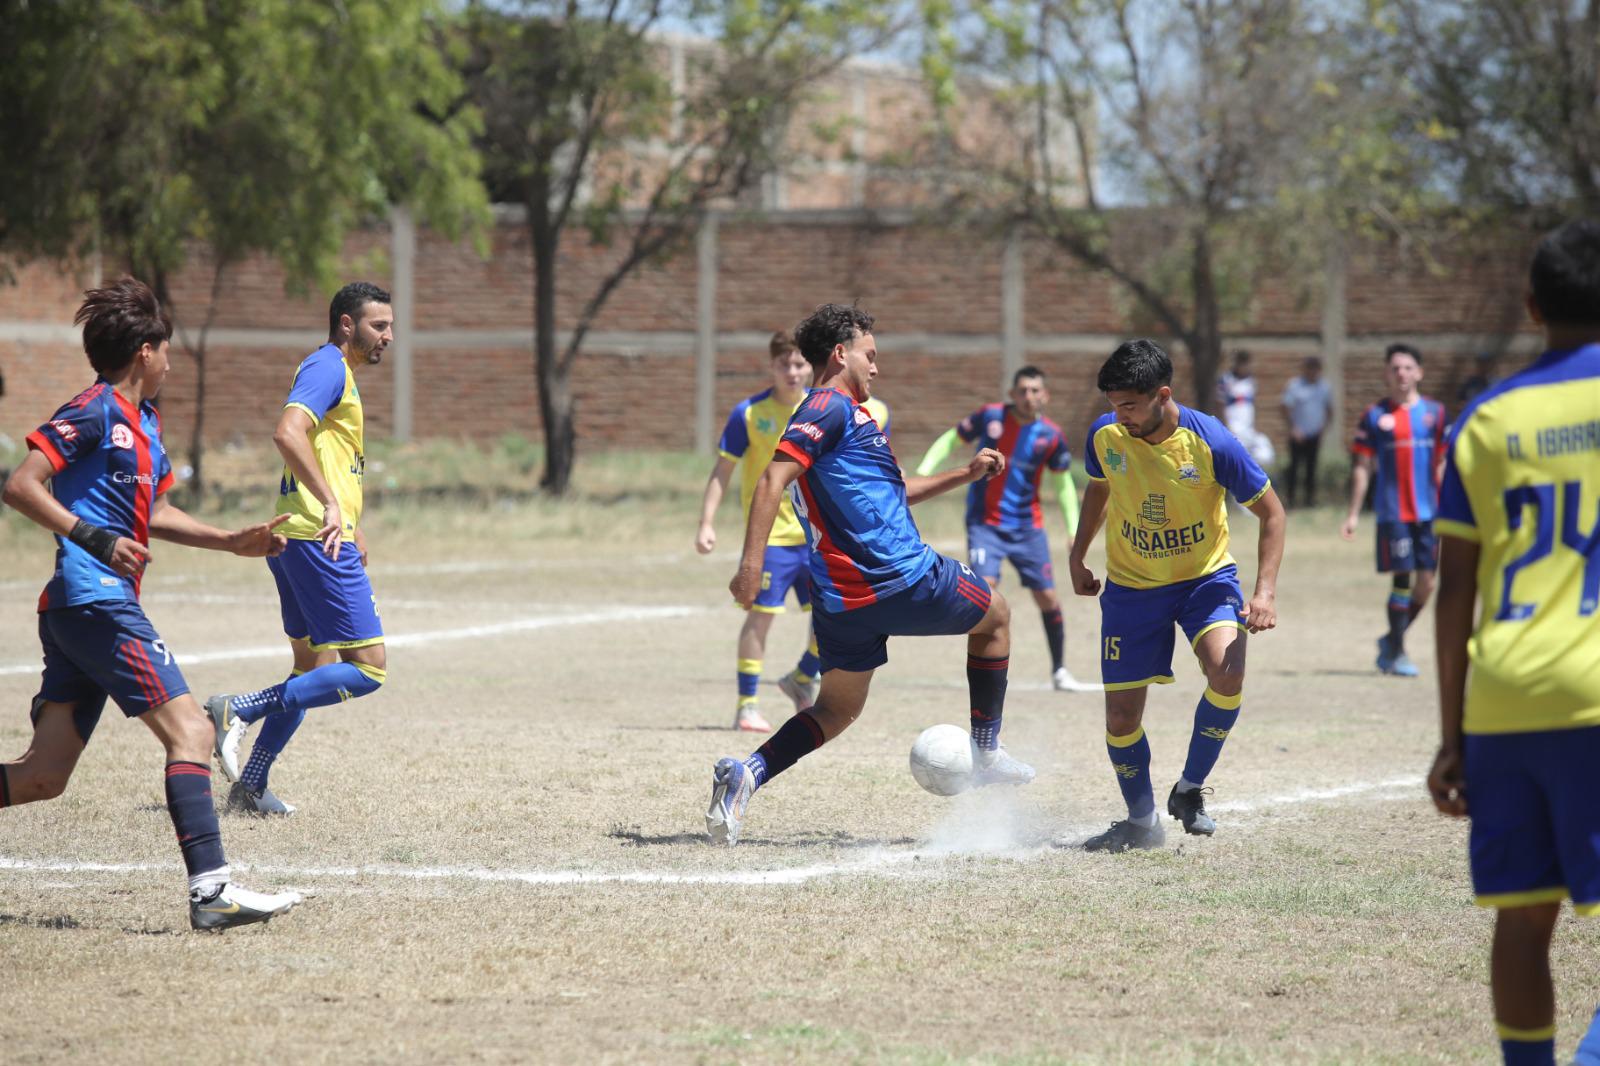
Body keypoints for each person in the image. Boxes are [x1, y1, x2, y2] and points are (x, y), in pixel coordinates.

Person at [0, 277, 301, 929]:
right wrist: (94, 538)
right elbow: (21, 486)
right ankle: (212, 893)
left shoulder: (147, 423)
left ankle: (213, 893)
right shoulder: (95, 410)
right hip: (93, 599)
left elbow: (155, 511)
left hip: (80, 611)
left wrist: (231, 541)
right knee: (193, 730)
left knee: (42, 777)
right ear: (144, 350)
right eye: (166, 350)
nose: (170, 362)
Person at [705, 303, 1033, 845]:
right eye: (870, 354)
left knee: (836, 707)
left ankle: (747, 777)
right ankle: (987, 751)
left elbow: (896, 490)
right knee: (995, 614)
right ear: (840, 354)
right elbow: (771, 480)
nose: (876, 367)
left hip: (841, 599)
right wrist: (750, 566)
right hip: (896, 576)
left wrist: (965, 473)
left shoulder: (852, 418)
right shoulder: (828, 407)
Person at [1428, 219, 1600, 1066]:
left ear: (1532, 307)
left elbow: (1453, 590)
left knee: (1523, 920)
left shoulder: (1486, 419)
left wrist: (1453, 737)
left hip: (1506, 702)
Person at [1067, 339, 1285, 852]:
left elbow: (1272, 513)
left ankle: (1189, 790)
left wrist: (1265, 593)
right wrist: (1078, 555)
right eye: (1112, 405)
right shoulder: (1106, 435)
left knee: (1227, 674)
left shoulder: (1212, 442)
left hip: (1204, 581)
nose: (1118, 416)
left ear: (1162, 395)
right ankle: (1141, 822)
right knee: (1121, 716)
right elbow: (1099, 488)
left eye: (1128, 405)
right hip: (1131, 587)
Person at [204, 282, 393, 815]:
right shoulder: (328, 366)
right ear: (347, 325)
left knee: (309, 666)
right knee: (369, 669)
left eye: (391, 327)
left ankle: (252, 784)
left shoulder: (336, 373)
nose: (388, 337)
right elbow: (287, 433)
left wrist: (350, 520)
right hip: (315, 535)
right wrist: (332, 506)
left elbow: (323, 450)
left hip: (307, 535)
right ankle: (240, 708)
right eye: (380, 326)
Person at [696, 331, 890, 731]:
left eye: (799, 363)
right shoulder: (749, 414)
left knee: (831, 614)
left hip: (817, 533)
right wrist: (707, 522)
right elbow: (723, 470)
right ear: (772, 366)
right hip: (774, 540)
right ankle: (747, 704)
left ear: (811, 366)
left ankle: (803, 676)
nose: (792, 371)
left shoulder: (823, 409)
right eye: (783, 363)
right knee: (761, 617)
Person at [916, 366, 1085, 690]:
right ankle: (982, 673)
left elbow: (1063, 484)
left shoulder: (1051, 436)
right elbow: (952, 438)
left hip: (1027, 528)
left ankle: (1060, 671)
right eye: (1022, 390)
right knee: (984, 595)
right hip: (985, 525)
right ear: (1012, 395)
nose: (1028, 396)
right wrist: (924, 470)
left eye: (1035, 391)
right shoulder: (990, 417)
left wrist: (1073, 527)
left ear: (1045, 396)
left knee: (1048, 597)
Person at [1339, 343, 1447, 678]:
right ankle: (1397, 653)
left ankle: (1390, 639)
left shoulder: (1435, 413)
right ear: (1387, 373)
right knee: (1402, 580)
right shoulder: (1374, 416)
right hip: (1394, 512)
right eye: (1396, 368)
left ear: (1419, 372)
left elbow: (1442, 461)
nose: (1402, 373)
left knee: (1426, 583)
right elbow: (1362, 466)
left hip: (1429, 512)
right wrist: (1354, 513)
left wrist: (1450, 505)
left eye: (1408, 367)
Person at [1279, 356, 1332, 508]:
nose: (1313, 373)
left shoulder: (1324, 387)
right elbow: (1285, 408)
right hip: (1297, 435)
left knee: (1311, 469)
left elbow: (1329, 410)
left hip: (1314, 435)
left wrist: (1322, 429)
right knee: (1294, 468)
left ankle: (1309, 500)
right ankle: (1290, 500)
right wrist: (1293, 429)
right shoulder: (1295, 385)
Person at [1217, 348, 1277, 469]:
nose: (1244, 367)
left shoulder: (1251, 381)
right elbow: (1219, 403)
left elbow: (1252, 404)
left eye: (1246, 363)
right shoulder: (1226, 379)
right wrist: (1225, 426)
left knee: (1265, 453)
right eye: (1241, 363)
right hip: (1233, 427)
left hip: (1249, 427)